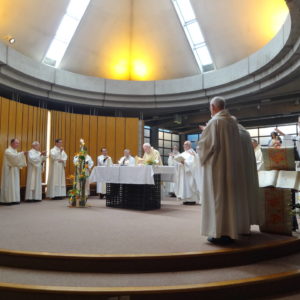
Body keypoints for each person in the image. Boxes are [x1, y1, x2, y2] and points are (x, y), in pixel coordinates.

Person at [198, 96, 245, 244]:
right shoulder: (232, 122)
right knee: (229, 199)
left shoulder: (215, 122)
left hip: (217, 168)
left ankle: (218, 233)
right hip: (231, 167)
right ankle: (230, 231)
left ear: (213, 107)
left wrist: (203, 136)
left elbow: (206, 146)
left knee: (217, 199)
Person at [0, 139, 27, 205]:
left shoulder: (15, 151)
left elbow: (16, 158)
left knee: (14, 184)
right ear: (11, 143)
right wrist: (22, 153)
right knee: (9, 184)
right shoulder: (7, 151)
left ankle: (14, 199)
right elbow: (13, 157)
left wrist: (21, 154)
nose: (17, 145)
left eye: (18, 143)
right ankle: (7, 200)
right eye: (16, 143)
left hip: (14, 170)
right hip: (9, 171)